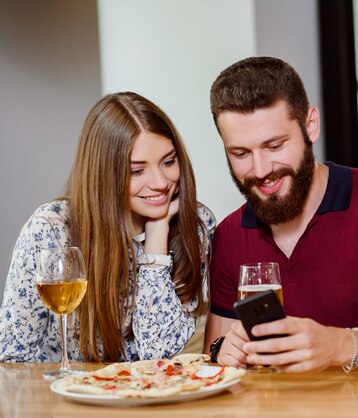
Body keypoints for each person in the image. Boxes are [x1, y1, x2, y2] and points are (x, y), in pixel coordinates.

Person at [203, 56, 358, 372]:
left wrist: (340, 346)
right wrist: (224, 351)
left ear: (310, 125)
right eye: (240, 153)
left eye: (275, 146)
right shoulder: (228, 236)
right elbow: (216, 357)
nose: (261, 170)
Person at [0, 92, 215, 362]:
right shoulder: (51, 229)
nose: (161, 182)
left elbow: (159, 354)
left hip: (148, 397)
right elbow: (13, 355)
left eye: (168, 162)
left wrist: (157, 232)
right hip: (65, 397)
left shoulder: (195, 227)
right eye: (137, 171)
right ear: (104, 175)